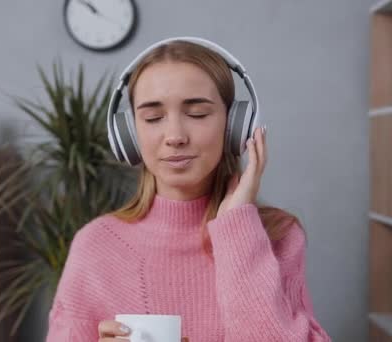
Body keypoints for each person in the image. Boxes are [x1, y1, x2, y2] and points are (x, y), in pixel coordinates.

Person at [46, 37, 331, 341]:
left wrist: (238, 232)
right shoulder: (95, 245)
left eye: (197, 114)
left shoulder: (279, 235)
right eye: (153, 118)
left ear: (235, 126)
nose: (175, 136)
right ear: (129, 135)